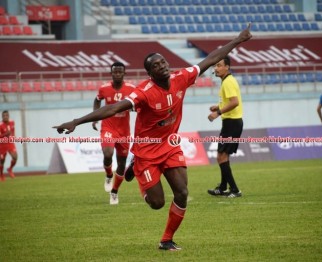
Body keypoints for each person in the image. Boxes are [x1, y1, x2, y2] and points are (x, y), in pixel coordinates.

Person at [53, 24, 252, 251]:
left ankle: (166, 240)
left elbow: (210, 58)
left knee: (182, 192)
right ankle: (136, 165)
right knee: (157, 203)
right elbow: (112, 108)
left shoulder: (181, 77)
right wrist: (76, 122)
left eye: (163, 62)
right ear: (150, 73)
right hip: (146, 151)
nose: (162, 66)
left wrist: (238, 40)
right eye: (156, 65)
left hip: (169, 145)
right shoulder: (143, 92)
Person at [92, 62, 135, 204]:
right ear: (111, 73)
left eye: (120, 72)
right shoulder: (104, 88)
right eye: (115, 72)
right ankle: (109, 174)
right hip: (108, 128)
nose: (117, 74)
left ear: (124, 73)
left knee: (122, 163)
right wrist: (95, 116)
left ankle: (114, 191)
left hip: (124, 131)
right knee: (108, 154)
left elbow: (139, 103)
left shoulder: (131, 88)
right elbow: (97, 100)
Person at [207, 56, 243, 198]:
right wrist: (218, 106)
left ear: (227, 67)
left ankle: (234, 190)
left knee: (221, 157)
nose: (215, 68)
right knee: (222, 156)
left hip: (232, 123)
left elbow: (235, 102)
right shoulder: (227, 81)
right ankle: (222, 188)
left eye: (219, 65)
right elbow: (230, 101)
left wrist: (218, 112)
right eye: (215, 66)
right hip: (231, 122)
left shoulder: (228, 82)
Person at [0, 110, 17, 181]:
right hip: (2, 144)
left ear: (8, 116)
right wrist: (5, 134)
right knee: (2, 160)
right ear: (2, 117)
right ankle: (1, 175)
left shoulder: (12, 122)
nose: (5, 117)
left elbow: (12, 130)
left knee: (15, 157)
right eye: (4, 116)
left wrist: (13, 136)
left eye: (6, 115)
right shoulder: (0, 125)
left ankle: (10, 169)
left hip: (10, 142)